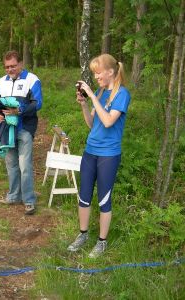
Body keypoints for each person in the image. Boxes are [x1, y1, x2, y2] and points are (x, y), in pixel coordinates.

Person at [67, 54, 131, 258]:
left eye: (98, 72)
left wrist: (93, 97)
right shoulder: (100, 91)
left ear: (110, 71)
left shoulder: (121, 94)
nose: (96, 77)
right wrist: (85, 104)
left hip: (108, 155)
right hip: (90, 151)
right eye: (94, 73)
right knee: (84, 196)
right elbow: (91, 123)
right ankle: (83, 234)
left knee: (104, 199)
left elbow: (108, 121)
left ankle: (102, 242)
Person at [0, 50, 43, 215]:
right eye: (6, 67)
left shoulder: (32, 80)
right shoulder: (2, 81)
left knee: (24, 165)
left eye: (13, 66)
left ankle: (29, 200)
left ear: (20, 64)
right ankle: (13, 196)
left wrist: (20, 110)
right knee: (11, 164)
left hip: (25, 128)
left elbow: (37, 103)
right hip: (7, 129)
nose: (10, 69)